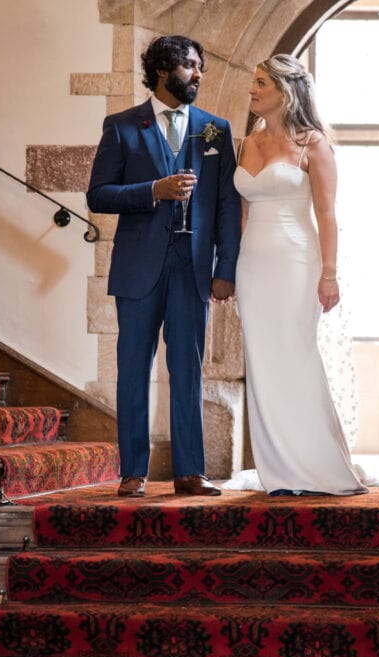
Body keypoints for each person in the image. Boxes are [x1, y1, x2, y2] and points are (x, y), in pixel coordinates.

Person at [87, 35, 242, 498]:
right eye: (191, 66)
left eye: (200, 68)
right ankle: (132, 471)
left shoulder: (215, 129)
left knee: (188, 370)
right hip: (138, 267)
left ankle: (189, 471)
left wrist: (226, 267)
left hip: (193, 267)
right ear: (163, 69)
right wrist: (152, 189)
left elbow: (227, 206)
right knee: (133, 368)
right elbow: (98, 194)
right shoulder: (121, 127)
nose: (198, 75)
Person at [231, 54, 379, 496]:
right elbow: (240, 212)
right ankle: (277, 467)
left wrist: (329, 274)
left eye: (260, 83)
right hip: (252, 264)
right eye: (253, 82)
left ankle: (315, 462)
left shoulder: (312, 143)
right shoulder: (245, 144)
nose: (252, 90)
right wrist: (231, 271)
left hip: (296, 260)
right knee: (261, 361)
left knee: (295, 355)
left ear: (285, 91)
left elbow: (327, 213)